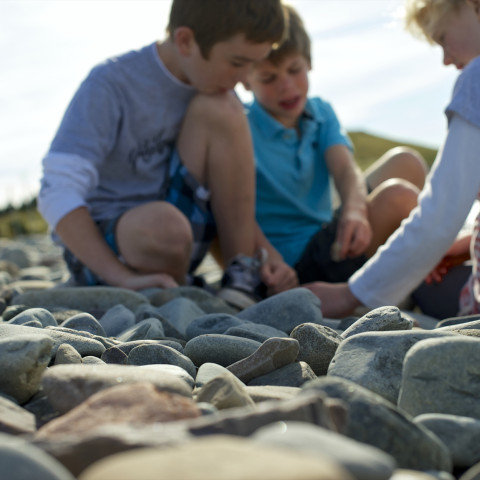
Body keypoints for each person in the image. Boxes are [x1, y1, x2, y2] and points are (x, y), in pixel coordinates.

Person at [38, 0, 297, 309]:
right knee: (165, 227)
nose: (245, 80)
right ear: (186, 41)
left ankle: (242, 279)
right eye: (237, 62)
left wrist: (265, 254)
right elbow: (56, 191)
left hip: (179, 230)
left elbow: (225, 197)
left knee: (224, 108)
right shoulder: (110, 83)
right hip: (111, 245)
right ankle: (176, 294)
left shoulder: (214, 90)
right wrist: (119, 276)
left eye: (253, 65)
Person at [303, 0, 480, 319]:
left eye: (442, 38)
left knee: (424, 286)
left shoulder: (475, 79)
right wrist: (467, 243)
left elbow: (439, 216)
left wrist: (350, 293)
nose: (446, 59)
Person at [243, 4, 428, 288]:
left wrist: (355, 210)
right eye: (269, 78)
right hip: (293, 264)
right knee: (398, 198)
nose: (286, 85)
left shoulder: (320, 112)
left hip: (330, 235)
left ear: (309, 62)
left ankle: (405, 274)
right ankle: (416, 282)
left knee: (407, 162)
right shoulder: (240, 127)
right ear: (246, 78)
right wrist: (269, 260)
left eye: (295, 69)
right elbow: (233, 210)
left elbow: (344, 169)